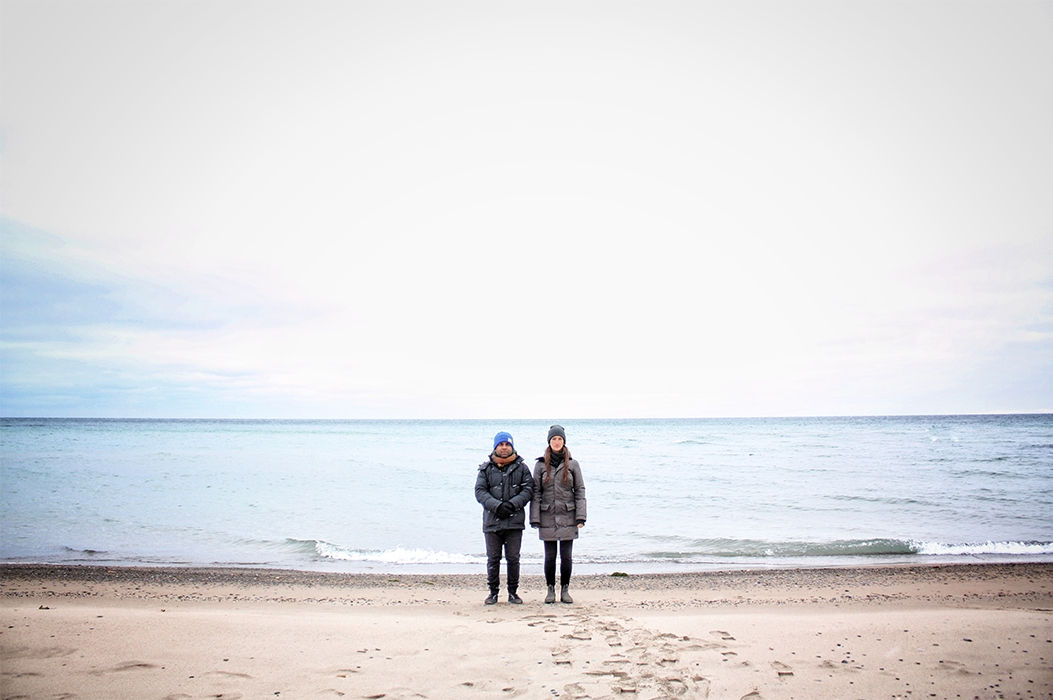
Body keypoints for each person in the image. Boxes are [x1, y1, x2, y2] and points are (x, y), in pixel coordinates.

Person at [475, 431, 534, 605]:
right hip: (492, 521)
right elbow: (480, 492)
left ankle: (513, 593)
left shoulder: (522, 468)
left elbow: (529, 489)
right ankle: (493, 593)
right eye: (501, 445)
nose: (504, 448)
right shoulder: (485, 469)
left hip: (514, 522)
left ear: (512, 447)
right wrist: (497, 506)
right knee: (493, 558)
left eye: (507, 444)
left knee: (513, 558)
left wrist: (512, 504)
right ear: (495, 447)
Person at [530, 424, 587, 604]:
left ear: (564, 442)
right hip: (547, 515)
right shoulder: (539, 465)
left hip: (568, 515)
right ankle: (550, 589)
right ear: (549, 441)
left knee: (567, 556)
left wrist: (581, 516)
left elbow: (579, 490)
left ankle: (565, 589)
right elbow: (536, 492)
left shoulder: (573, 464)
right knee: (550, 556)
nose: (556, 442)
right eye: (554, 439)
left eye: (559, 439)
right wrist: (535, 518)